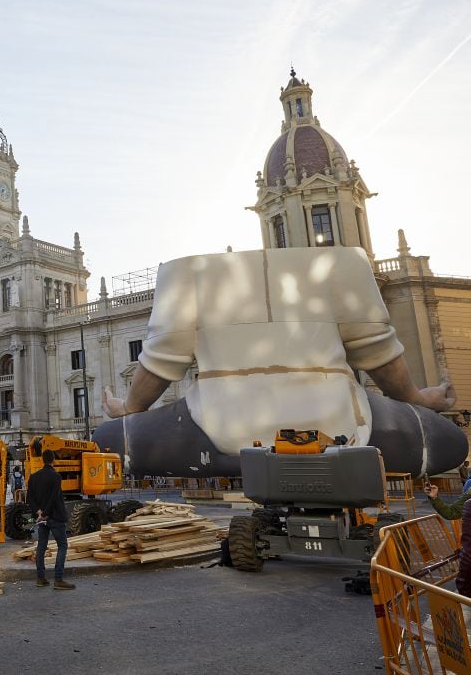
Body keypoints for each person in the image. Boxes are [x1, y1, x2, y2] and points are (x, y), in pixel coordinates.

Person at [95, 247, 466, 478]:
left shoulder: (182, 273)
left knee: (110, 443)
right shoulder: (347, 263)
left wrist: (128, 409)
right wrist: (417, 399)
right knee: (447, 441)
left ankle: (239, 460)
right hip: (343, 427)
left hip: (219, 427)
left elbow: (161, 362)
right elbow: (378, 353)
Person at [27, 450, 75, 590]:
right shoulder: (56, 476)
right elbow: (54, 498)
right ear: (53, 460)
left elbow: (30, 498)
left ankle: (41, 578)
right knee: (62, 545)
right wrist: (46, 513)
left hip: (41, 518)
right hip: (55, 516)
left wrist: (39, 512)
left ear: (42, 460)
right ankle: (58, 579)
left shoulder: (34, 477)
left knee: (42, 546)